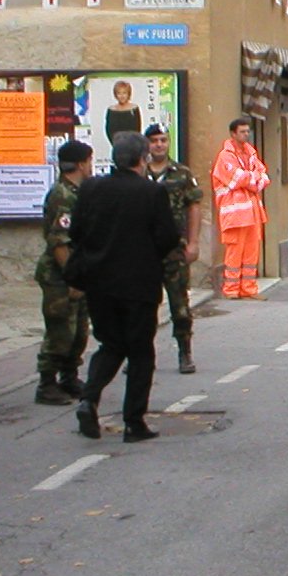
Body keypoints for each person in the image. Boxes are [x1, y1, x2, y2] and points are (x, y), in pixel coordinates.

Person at [70, 131, 180, 443]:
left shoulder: (91, 188)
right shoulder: (150, 192)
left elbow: (76, 230)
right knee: (140, 352)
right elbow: (168, 237)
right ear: (142, 159)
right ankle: (134, 422)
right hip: (138, 283)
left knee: (110, 344)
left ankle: (89, 399)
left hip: (99, 282)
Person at [33, 140, 94, 405]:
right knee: (60, 329)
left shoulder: (79, 192)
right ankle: (47, 383)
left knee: (79, 330)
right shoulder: (63, 195)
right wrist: (72, 277)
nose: (91, 167)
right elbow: (59, 241)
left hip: (78, 272)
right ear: (81, 164)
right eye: (89, 161)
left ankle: (69, 376)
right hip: (60, 275)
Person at [144, 124, 203, 373]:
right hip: (144, 251)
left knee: (179, 303)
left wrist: (193, 242)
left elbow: (194, 207)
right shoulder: (137, 173)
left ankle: (184, 352)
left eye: (163, 140)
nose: (159, 145)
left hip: (174, 249)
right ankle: (141, 354)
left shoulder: (181, 173)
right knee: (143, 306)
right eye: (155, 140)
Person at [210, 117, 270, 300]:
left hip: (252, 213)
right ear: (233, 133)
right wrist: (254, 179)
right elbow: (237, 178)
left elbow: (264, 178)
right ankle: (231, 289)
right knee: (234, 252)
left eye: (247, 131)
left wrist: (251, 179)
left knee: (252, 251)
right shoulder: (225, 157)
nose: (246, 134)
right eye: (242, 131)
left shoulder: (251, 153)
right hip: (234, 213)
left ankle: (249, 288)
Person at [103, 80, 142, 146]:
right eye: (119, 93)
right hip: (117, 145)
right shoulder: (111, 110)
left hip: (132, 145)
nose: (122, 96)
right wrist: (115, 144)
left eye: (124, 93)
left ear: (128, 94)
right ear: (115, 95)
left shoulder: (134, 108)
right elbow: (108, 130)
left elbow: (138, 128)